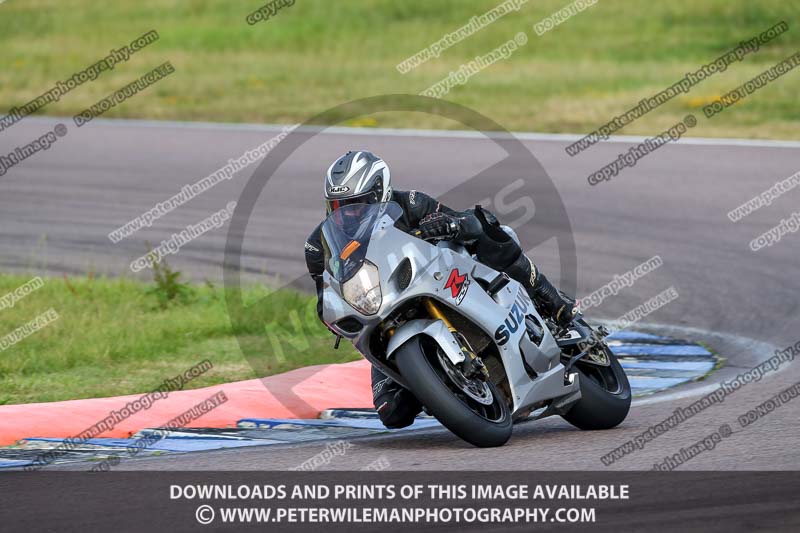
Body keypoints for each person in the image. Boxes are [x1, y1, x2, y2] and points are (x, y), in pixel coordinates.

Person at [304, 151, 576, 429]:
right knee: (392, 413)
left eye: (357, 203)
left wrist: (452, 224)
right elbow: (325, 292)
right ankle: (441, 383)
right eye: (338, 205)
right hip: (383, 309)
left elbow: (466, 222)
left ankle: (548, 297)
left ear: (379, 193)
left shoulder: (410, 203)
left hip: (439, 278)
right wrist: (331, 313)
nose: (347, 212)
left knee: (487, 228)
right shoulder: (317, 246)